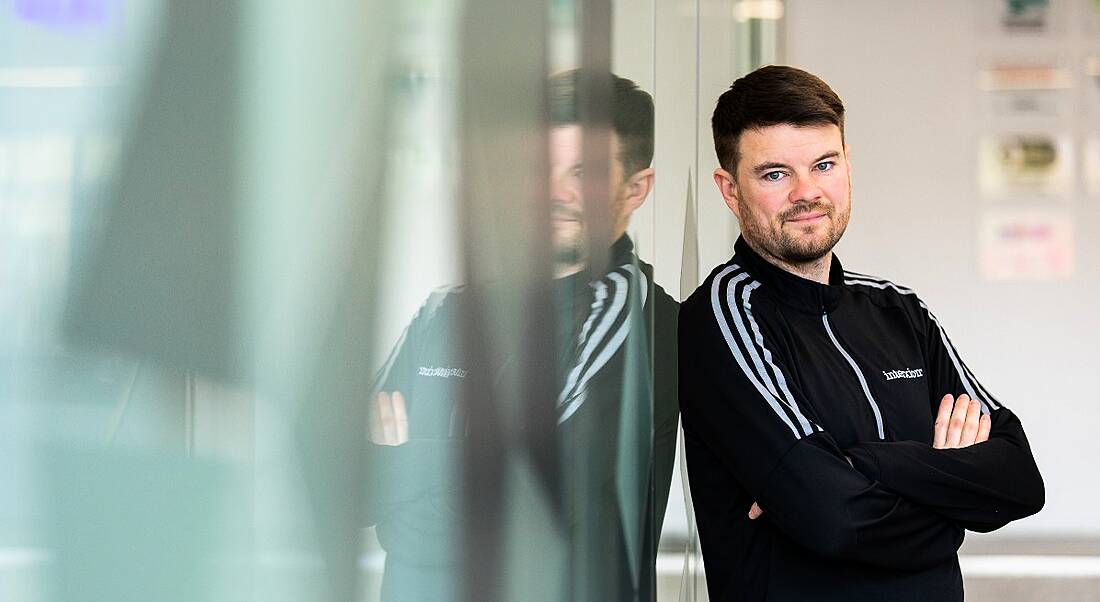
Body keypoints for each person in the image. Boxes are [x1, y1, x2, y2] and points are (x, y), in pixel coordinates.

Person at [678, 65, 1044, 601]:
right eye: (775, 174)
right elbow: (835, 518)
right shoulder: (721, 319)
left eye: (823, 165)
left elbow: (1017, 478)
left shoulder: (899, 310)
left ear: (848, 166)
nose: (808, 193)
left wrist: (861, 461)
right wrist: (948, 499)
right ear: (730, 190)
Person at [365, 70, 679, 601]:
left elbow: (529, 508)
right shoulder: (449, 307)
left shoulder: (639, 318)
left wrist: (404, 462)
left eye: (584, 172)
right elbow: (348, 483)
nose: (554, 192)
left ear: (635, 189)